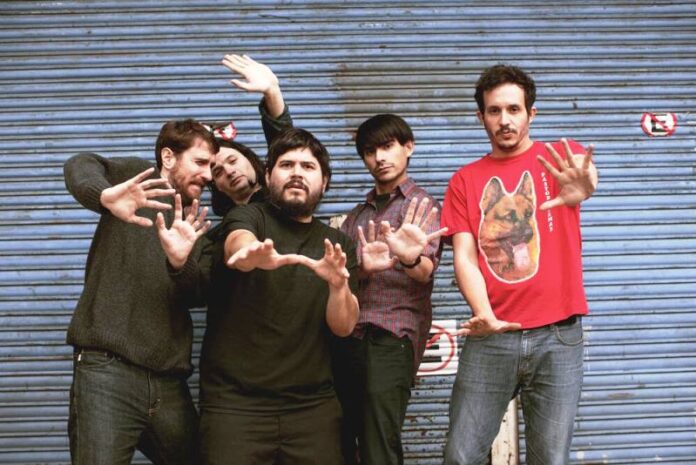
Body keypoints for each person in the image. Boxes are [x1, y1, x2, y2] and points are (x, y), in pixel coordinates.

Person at [440, 64, 598, 465]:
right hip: (492, 334)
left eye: (514, 109)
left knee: (550, 458)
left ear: (531, 113)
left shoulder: (558, 157)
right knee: (460, 455)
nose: (505, 120)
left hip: (558, 336)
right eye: (494, 111)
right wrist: (484, 314)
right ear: (481, 116)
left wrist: (586, 187)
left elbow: (586, 175)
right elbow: (465, 255)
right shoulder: (464, 180)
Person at [194, 127, 359, 465]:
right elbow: (238, 241)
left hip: (312, 409)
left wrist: (337, 286)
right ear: (268, 176)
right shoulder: (247, 216)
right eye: (286, 165)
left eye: (308, 166)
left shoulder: (338, 245)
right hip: (235, 407)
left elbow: (344, 327)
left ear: (324, 182)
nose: (297, 173)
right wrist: (249, 253)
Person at [63, 119, 217, 464]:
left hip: (169, 384)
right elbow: (79, 164)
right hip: (107, 373)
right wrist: (103, 196)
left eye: (212, 167)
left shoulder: (197, 227)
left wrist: (180, 263)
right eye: (200, 162)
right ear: (168, 156)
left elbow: (198, 295)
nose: (208, 175)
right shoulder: (136, 177)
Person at [332, 114, 447, 465]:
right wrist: (361, 268)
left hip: (391, 336)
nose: (379, 157)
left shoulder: (421, 206)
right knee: (342, 438)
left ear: (408, 147)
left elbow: (425, 272)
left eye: (387, 146)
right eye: (370, 151)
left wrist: (409, 258)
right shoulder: (357, 216)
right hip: (349, 336)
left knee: (378, 440)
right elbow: (342, 278)